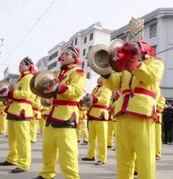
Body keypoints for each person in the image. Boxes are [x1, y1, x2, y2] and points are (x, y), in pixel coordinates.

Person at [101, 40, 164, 179]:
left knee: (145, 158)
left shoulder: (155, 63)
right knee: (123, 159)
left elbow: (150, 77)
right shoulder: (124, 69)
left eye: (134, 48)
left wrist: (132, 63)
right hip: (123, 114)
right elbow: (114, 84)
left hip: (142, 113)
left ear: (144, 50)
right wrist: (105, 71)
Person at [35, 45, 85, 179]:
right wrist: (46, 98)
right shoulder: (57, 73)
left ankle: (72, 177)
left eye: (67, 54)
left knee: (68, 153)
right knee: (48, 149)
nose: (62, 56)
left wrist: (58, 87)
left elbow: (77, 91)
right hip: (52, 114)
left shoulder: (78, 72)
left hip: (66, 115)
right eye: (62, 54)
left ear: (75, 58)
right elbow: (53, 93)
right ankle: (46, 174)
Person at [0, 57, 36, 173]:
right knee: (13, 139)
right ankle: (12, 159)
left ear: (28, 66)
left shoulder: (29, 77)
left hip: (22, 111)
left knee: (23, 140)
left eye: (22, 64)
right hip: (14, 110)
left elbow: (26, 94)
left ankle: (24, 164)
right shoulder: (21, 78)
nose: (19, 65)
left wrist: (9, 92)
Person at [82, 78, 112, 165]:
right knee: (91, 138)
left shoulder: (107, 88)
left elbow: (104, 100)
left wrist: (93, 98)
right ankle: (91, 155)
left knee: (102, 139)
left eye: (101, 77)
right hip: (92, 114)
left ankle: (102, 158)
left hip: (100, 114)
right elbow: (90, 101)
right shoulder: (95, 88)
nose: (98, 78)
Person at [155, 95, 165, 160]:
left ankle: (157, 153)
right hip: (147, 118)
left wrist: (152, 104)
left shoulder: (161, 97)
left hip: (156, 119)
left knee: (157, 137)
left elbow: (161, 107)